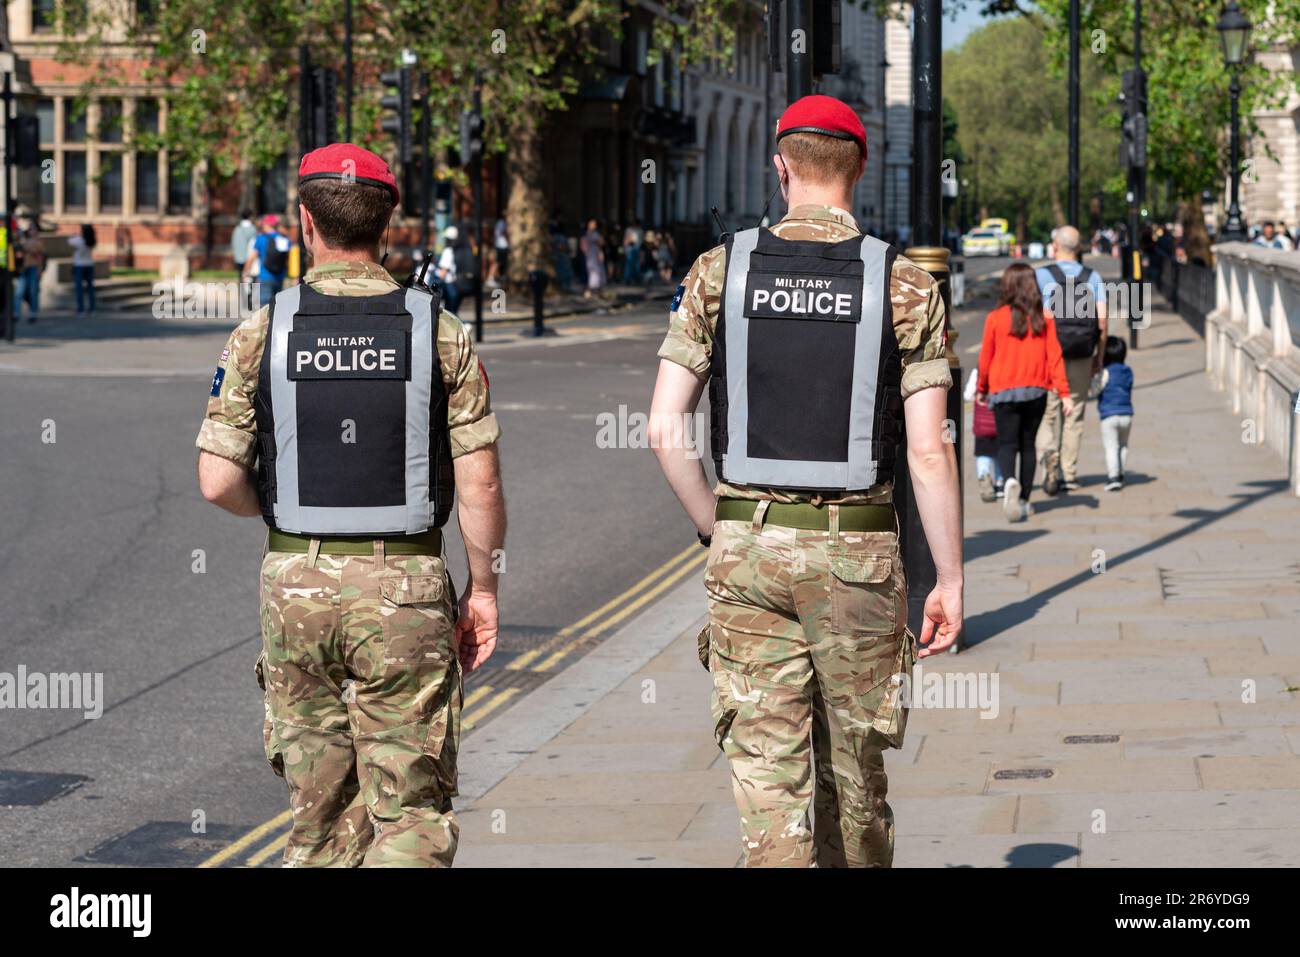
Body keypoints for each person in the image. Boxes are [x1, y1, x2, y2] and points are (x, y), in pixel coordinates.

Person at [650, 94, 962, 868]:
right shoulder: (904, 284)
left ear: (780, 167)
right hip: (858, 553)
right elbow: (929, 452)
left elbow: (664, 428)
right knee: (856, 773)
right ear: (858, 171)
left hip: (748, 547)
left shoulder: (721, 269)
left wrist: (713, 525)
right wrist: (948, 576)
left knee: (767, 777)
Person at [195, 143, 506, 867]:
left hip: (295, 584)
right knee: (411, 812)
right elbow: (481, 483)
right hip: (405, 587)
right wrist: (483, 588)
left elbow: (216, 479)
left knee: (321, 817)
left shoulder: (261, 330)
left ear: (306, 222)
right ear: (388, 224)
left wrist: (284, 511)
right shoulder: (439, 331)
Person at [977, 263, 1074, 522]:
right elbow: (1055, 356)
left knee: (1007, 444)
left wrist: (981, 388)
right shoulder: (1044, 318)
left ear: (1007, 285)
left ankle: (1009, 481)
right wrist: (1064, 393)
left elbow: (986, 357)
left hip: (1003, 391)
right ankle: (1024, 500)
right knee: (1028, 445)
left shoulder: (995, 318)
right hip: (1036, 390)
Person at [1033, 225, 1106, 494]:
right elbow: (1102, 320)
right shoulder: (1092, 277)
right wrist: (1099, 353)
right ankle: (1069, 473)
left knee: (1047, 413)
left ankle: (1047, 455)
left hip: (1048, 354)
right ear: (1079, 248)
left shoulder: (1042, 275)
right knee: (1074, 413)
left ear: (1055, 246)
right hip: (1081, 352)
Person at [1097, 335, 1135, 491]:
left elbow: (1095, 389)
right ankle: (1121, 473)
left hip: (1108, 416)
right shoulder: (1128, 372)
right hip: (1126, 414)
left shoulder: (1105, 373)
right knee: (1123, 445)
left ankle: (1113, 477)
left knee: (1111, 446)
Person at [243, 214, 291, 307]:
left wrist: (245, 271)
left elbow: (252, 257)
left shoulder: (261, 239)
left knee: (265, 307)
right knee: (277, 306)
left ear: (266, 225)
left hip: (265, 277)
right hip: (279, 277)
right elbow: (287, 259)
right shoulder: (284, 239)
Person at [17, 220, 45, 323]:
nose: (31, 231)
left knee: (33, 292)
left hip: (34, 268)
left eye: (33, 229)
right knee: (19, 292)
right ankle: (16, 313)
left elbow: (40, 256)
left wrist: (40, 270)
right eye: (30, 229)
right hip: (24, 268)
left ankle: (33, 313)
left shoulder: (39, 242)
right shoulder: (24, 241)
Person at [67, 223, 97, 316]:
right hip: (89, 264)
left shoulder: (79, 240)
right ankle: (92, 309)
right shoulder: (92, 241)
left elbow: (69, 241)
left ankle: (81, 309)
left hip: (79, 265)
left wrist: (75, 235)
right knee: (90, 288)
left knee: (79, 288)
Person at [434, 225, 463, 315]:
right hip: (459, 284)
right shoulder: (460, 250)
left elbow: (443, 272)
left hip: (450, 286)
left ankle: (464, 327)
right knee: (454, 313)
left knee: (450, 315)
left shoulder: (448, 251)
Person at [231, 209, 257, 278]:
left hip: (239, 258)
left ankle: (243, 289)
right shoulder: (253, 229)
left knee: (242, 279)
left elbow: (233, 243)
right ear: (250, 216)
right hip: (250, 258)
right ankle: (252, 289)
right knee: (254, 281)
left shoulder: (237, 229)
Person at [581, 219, 605, 296]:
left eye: (595, 224)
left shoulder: (596, 234)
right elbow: (583, 245)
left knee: (598, 271)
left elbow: (601, 243)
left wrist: (600, 252)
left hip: (596, 253)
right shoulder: (586, 234)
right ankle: (590, 289)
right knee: (592, 271)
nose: (594, 225)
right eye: (592, 224)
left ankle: (597, 289)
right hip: (590, 254)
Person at [491, 215, 509, 285]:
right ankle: (491, 277)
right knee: (498, 262)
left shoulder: (499, 223)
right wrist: (508, 240)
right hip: (502, 246)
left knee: (500, 263)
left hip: (499, 245)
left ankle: (496, 278)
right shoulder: (502, 223)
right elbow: (503, 233)